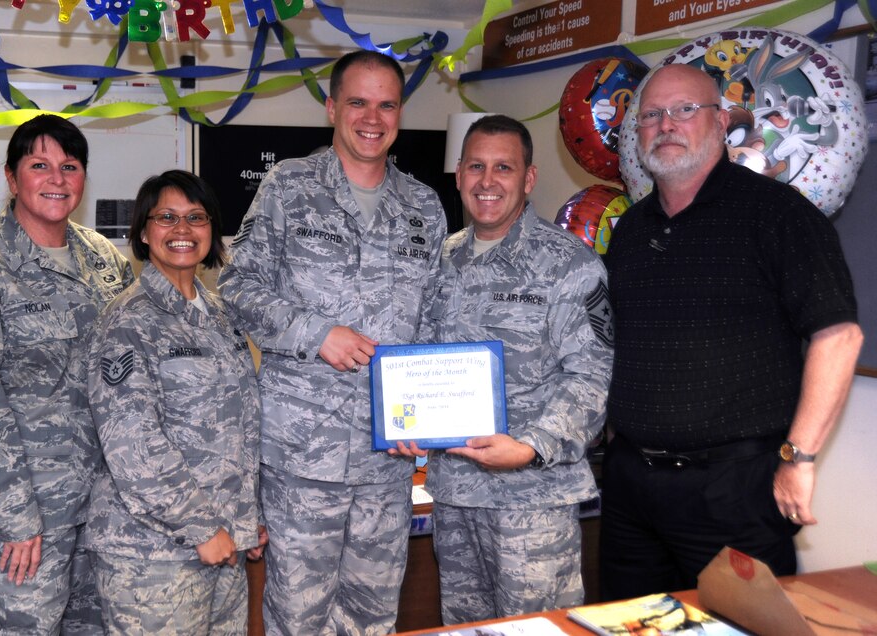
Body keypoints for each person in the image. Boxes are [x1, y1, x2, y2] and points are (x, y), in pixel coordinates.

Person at [601, 63, 863, 600]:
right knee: (626, 624)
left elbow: (839, 337)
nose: (666, 124)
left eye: (684, 110)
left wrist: (799, 458)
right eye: (651, 114)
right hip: (631, 489)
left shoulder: (778, 216)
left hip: (733, 492)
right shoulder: (630, 230)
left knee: (747, 625)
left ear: (722, 123)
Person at [218, 50, 447, 635]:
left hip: (387, 460)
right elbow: (236, 286)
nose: (373, 117)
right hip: (303, 458)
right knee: (299, 618)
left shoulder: (423, 206)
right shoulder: (288, 186)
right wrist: (315, 334)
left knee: (373, 618)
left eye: (387, 104)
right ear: (331, 108)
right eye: (358, 102)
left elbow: (438, 325)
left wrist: (429, 417)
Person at [391, 115, 613, 623]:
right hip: (454, 492)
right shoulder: (442, 260)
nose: (487, 181)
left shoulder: (570, 265)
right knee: (465, 628)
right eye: (475, 166)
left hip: (532, 500)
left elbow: (591, 378)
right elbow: (418, 356)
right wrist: (404, 420)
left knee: (536, 630)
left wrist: (531, 446)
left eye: (503, 168)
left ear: (528, 178)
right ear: (459, 175)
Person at [0, 114, 134, 634]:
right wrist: (14, 516)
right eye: (39, 165)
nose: (56, 179)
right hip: (23, 520)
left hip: (101, 511)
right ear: (11, 176)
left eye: (69, 166)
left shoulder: (105, 260)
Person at [84, 170, 265, 634]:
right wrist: (202, 528)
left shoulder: (220, 315)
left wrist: (249, 517)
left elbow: (241, 426)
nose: (182, 230)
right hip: (154, 556)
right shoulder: (129, 321)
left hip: (224, 546)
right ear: (144, 232)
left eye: (196, 217)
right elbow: (132, 444)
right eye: (166, 217)